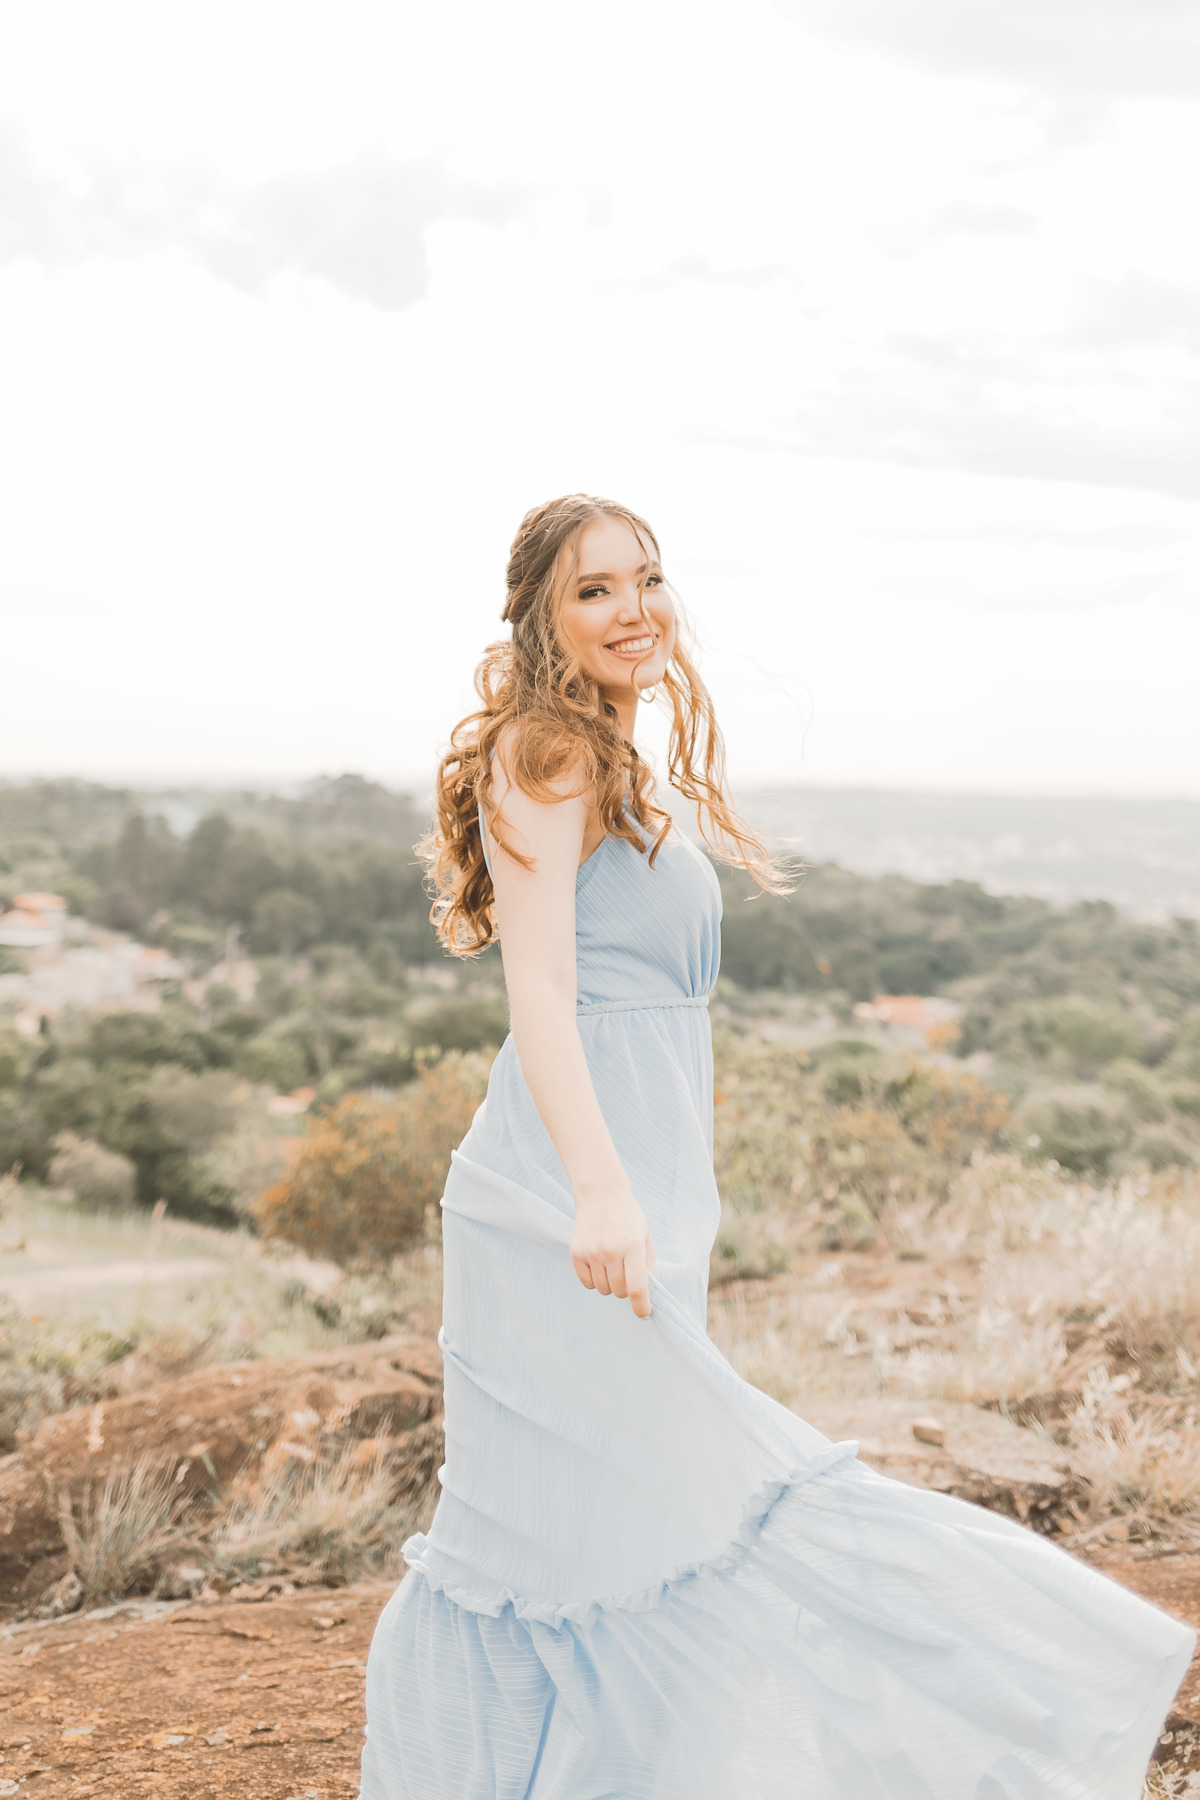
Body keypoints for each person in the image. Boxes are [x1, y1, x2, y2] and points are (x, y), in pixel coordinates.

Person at [360, 494, 1193, 1799]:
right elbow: (539, 998)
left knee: (645, 1526)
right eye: (595, 589)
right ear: (540, 616)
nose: (633, 608)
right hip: (559, 1208)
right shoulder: (543, 752)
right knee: (581, 1535)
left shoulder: (618, 757)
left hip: (639, 1202)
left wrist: (649, 1195)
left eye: (648, 578)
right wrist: (598, 1195)